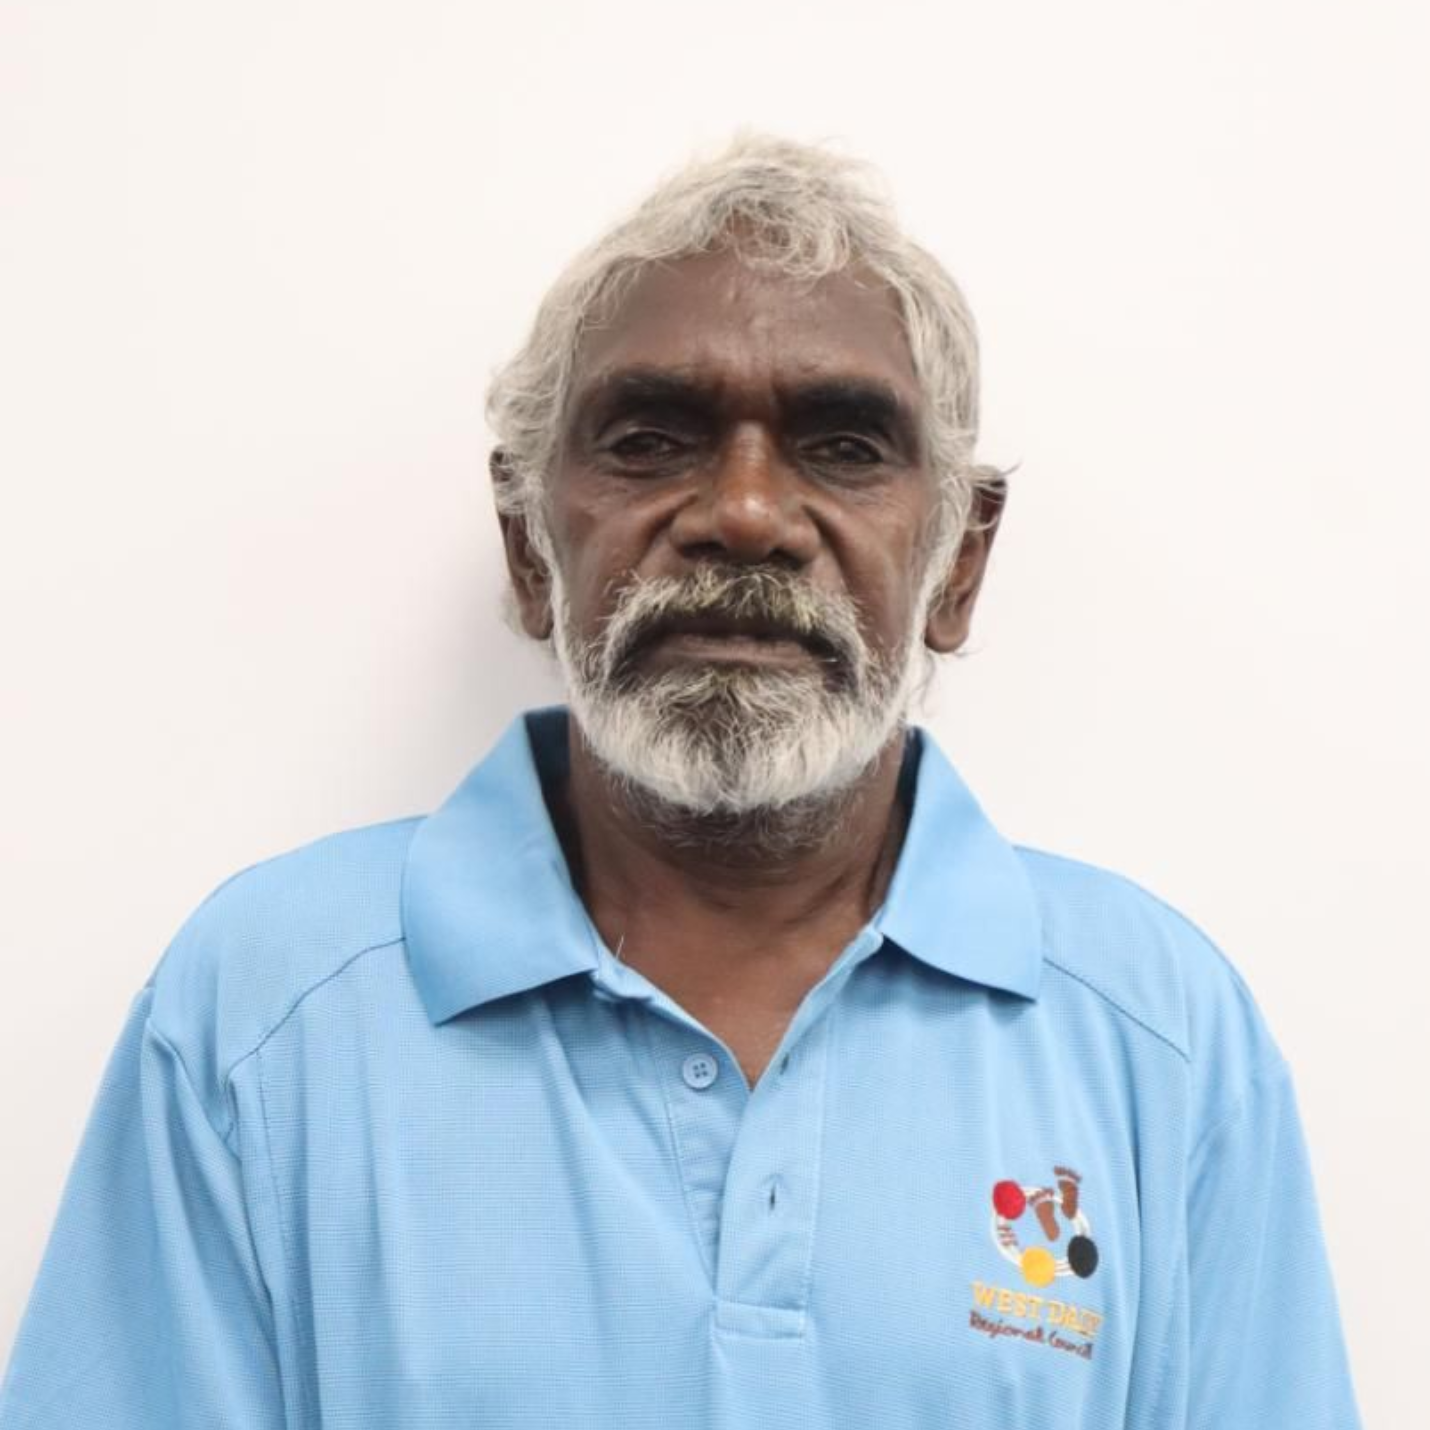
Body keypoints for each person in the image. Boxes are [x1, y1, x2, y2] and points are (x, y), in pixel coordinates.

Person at [0, 133, 1361, 1428]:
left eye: (841, 443)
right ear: (529, 547)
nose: (747, 515)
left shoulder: (1155, 1041)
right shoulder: (265, 1015)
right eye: (652, 437)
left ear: (958, 562)